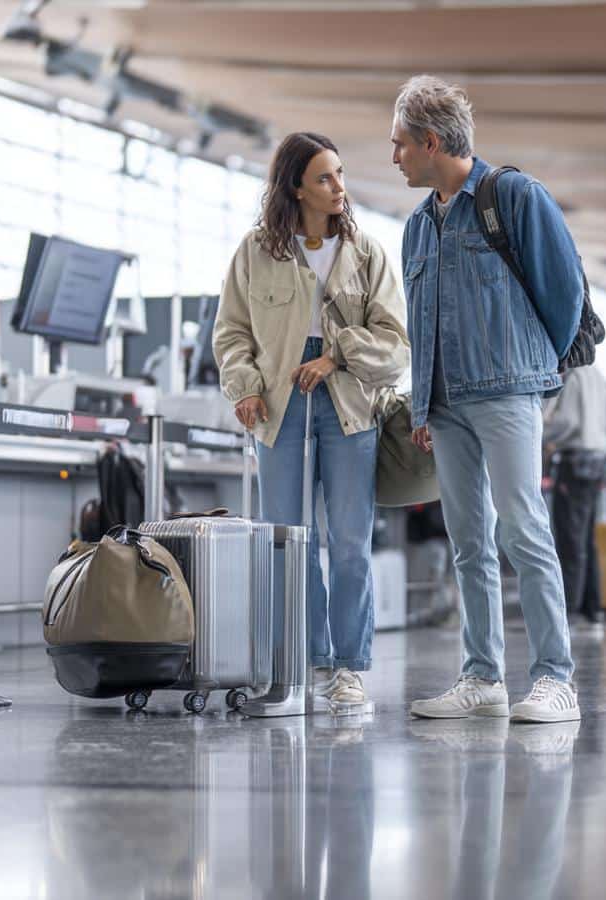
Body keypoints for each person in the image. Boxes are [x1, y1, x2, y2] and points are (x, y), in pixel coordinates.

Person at [392, 76, 585, 723]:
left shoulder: (514, 197)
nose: (395, 158)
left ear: (431, 141)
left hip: (507, 392)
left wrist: (529, 366)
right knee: (469, 543)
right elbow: (420, 323)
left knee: (524, 530)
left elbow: (565, 295)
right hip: (445, 406)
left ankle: (557, 678)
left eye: (400, 146)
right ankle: (482, 676)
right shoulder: (417, 228)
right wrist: (422, 406)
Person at [214, 131, 411, 711]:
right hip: (279, 408)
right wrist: (245, 389)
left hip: (348, 408)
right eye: (326, 177)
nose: (339, 188)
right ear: (296, 186)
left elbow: (397, 345)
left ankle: (348, 669)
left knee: (349, 543)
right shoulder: (257, 251)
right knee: (288, 541)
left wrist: (336, 355)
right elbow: (232, 332)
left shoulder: (368, 253)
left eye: (341, 175)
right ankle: (303, 662)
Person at [543, 366, 606, 629]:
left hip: (574, 461)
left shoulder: (574, 377)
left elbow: (568, 422)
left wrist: (540, 433)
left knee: (570, 539)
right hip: (597, 461)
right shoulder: (599, 376)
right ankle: (592, 607)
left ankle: (569, 612)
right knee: (586, 538)